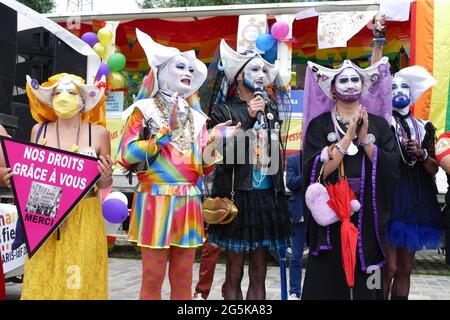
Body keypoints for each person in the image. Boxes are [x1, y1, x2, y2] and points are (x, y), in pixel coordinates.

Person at [117, 29, 238, 300]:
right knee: (152, 276)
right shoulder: (143, 110)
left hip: (188, 201)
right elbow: (125, 154)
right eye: (180, 66)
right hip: (155, 199)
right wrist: (157, 141)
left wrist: (216, 141)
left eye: (190, 69)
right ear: (161, 72)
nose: (187, 72)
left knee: (184, 278)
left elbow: (203, 168)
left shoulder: (197, 118)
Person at [3, 73, 113, 299]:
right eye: (58, 92)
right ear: (50, 100)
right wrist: (14, 178)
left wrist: (106, 175)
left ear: (83, 99)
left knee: (77, 281)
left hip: (83, 217)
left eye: (71, 92)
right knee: (43, 278)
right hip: (45, 213)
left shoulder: (100, 133)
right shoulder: (38, 131)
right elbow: (33, 176)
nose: (64, 97)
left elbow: (104, 183)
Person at [301, 57, 400, 300]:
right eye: (342, 80)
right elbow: (316, 171)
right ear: (333, 89)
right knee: (327, 281)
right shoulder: (319, 125)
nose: (349, 84)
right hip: (331, 216)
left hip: (368, 219)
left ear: (363, 86)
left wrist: (365, 138)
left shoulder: (379, 125)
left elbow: (392, 168)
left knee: (370, 279)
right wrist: (347, 138)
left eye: (355, 79)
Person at [206, 40, 291, 300]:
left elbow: (274, 157)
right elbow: (224, 157)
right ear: (240, 75)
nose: (262, 76)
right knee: (234, 271)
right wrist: (250, 119)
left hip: (266, 198)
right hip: (237, 195)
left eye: (265, 71)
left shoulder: (272, 109)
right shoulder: (223, 110)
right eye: (255, 70)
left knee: (259, 270)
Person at [371, 17, 445, 299]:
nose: (399, 92)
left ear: (412, 95)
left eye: (404, 88)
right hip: (390, 198)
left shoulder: (424, 126)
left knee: (405, 268)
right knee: (387, 267)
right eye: (394, 88)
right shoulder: (382, 123)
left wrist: (423, 152)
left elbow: (431, 169)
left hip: (417, 199)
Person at [285, 151, 305, 300]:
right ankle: (294, 292)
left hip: (318, 215)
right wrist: (310, 174)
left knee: (320, 256)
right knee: (296, 256)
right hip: (299, 215)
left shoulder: (322, 158)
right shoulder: (293, 160)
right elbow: (290, 183)